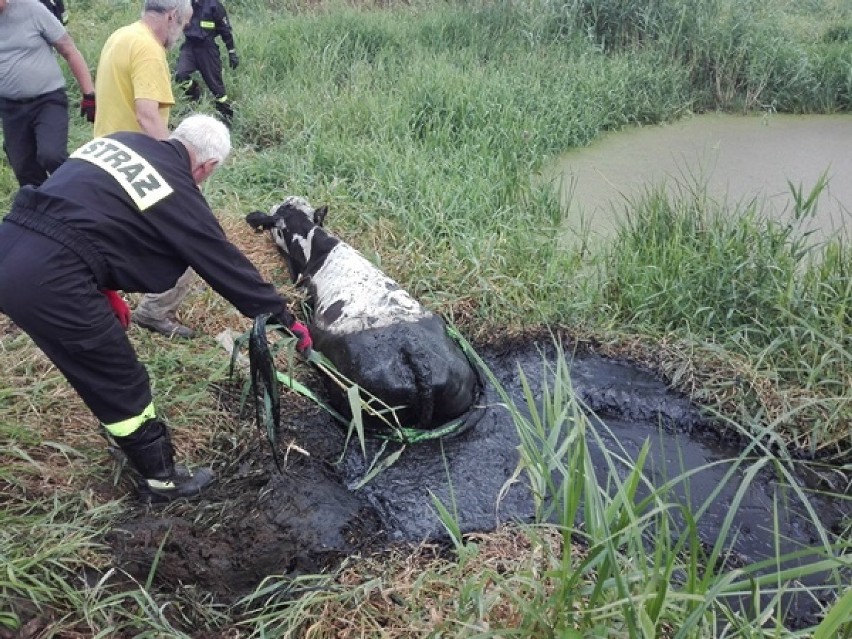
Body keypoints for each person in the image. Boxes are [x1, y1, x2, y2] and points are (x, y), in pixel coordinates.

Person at [0, 114, 313, 502]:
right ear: (207, 166)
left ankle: (125, 437)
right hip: (51, 279)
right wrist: (283, 317)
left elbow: (83, 209)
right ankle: (161, 479)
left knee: (98, 365)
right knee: (119, 378)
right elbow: (222, 262)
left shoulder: (119, 141)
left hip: (12, 241)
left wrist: (103, 289)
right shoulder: (177, 189)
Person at [94, 0, 198, 338]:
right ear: (171, 17)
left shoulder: (121, 36)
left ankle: (103, 297)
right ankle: (154, 312)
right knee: (191, 236)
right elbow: (147, 114)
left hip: (105, 157)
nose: (181, 34)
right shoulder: (150, 50)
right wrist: (175, 169)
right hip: (135, 165)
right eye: (183, 25)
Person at [0, 0, 95, 188]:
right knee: (24, 169)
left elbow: (69, 50)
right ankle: (46, 208)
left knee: (51, 155)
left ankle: (79, 192)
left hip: (47, 100)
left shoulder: (32, 9)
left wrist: (89, 94)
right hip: (11, 108)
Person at [175, 0, 239, 124]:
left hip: (207, 49)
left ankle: (226, 117)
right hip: (189, 46)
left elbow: (225, 31)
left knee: (216, 88)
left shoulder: (214, 6)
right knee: (180, 75)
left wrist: (231, 52)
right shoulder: (186, 4)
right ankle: (194, 93)